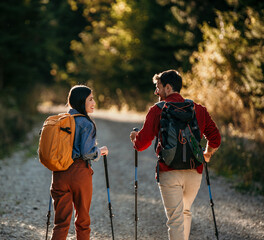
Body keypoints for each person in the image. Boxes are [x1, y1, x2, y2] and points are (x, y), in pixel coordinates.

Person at [129, 70, 221, 240]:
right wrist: (207, 153)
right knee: (185, 212)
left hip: (168, 170)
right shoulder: (198, 109)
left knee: (175, 219)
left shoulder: (157, 110)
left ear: (168, 87)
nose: (157, 92)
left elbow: (141, 145)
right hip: (194, 172)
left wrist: (135, 138)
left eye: (158, 88)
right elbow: (215, 138)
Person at [51, 85, 109, 240]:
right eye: (90, 99)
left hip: (59, 173)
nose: (94, 102)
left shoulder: (60, 121)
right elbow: (87, 153)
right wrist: (100, 151)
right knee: (82, 221)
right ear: (80, 101)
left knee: (61, 222)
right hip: (79, 174)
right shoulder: (86, 124)